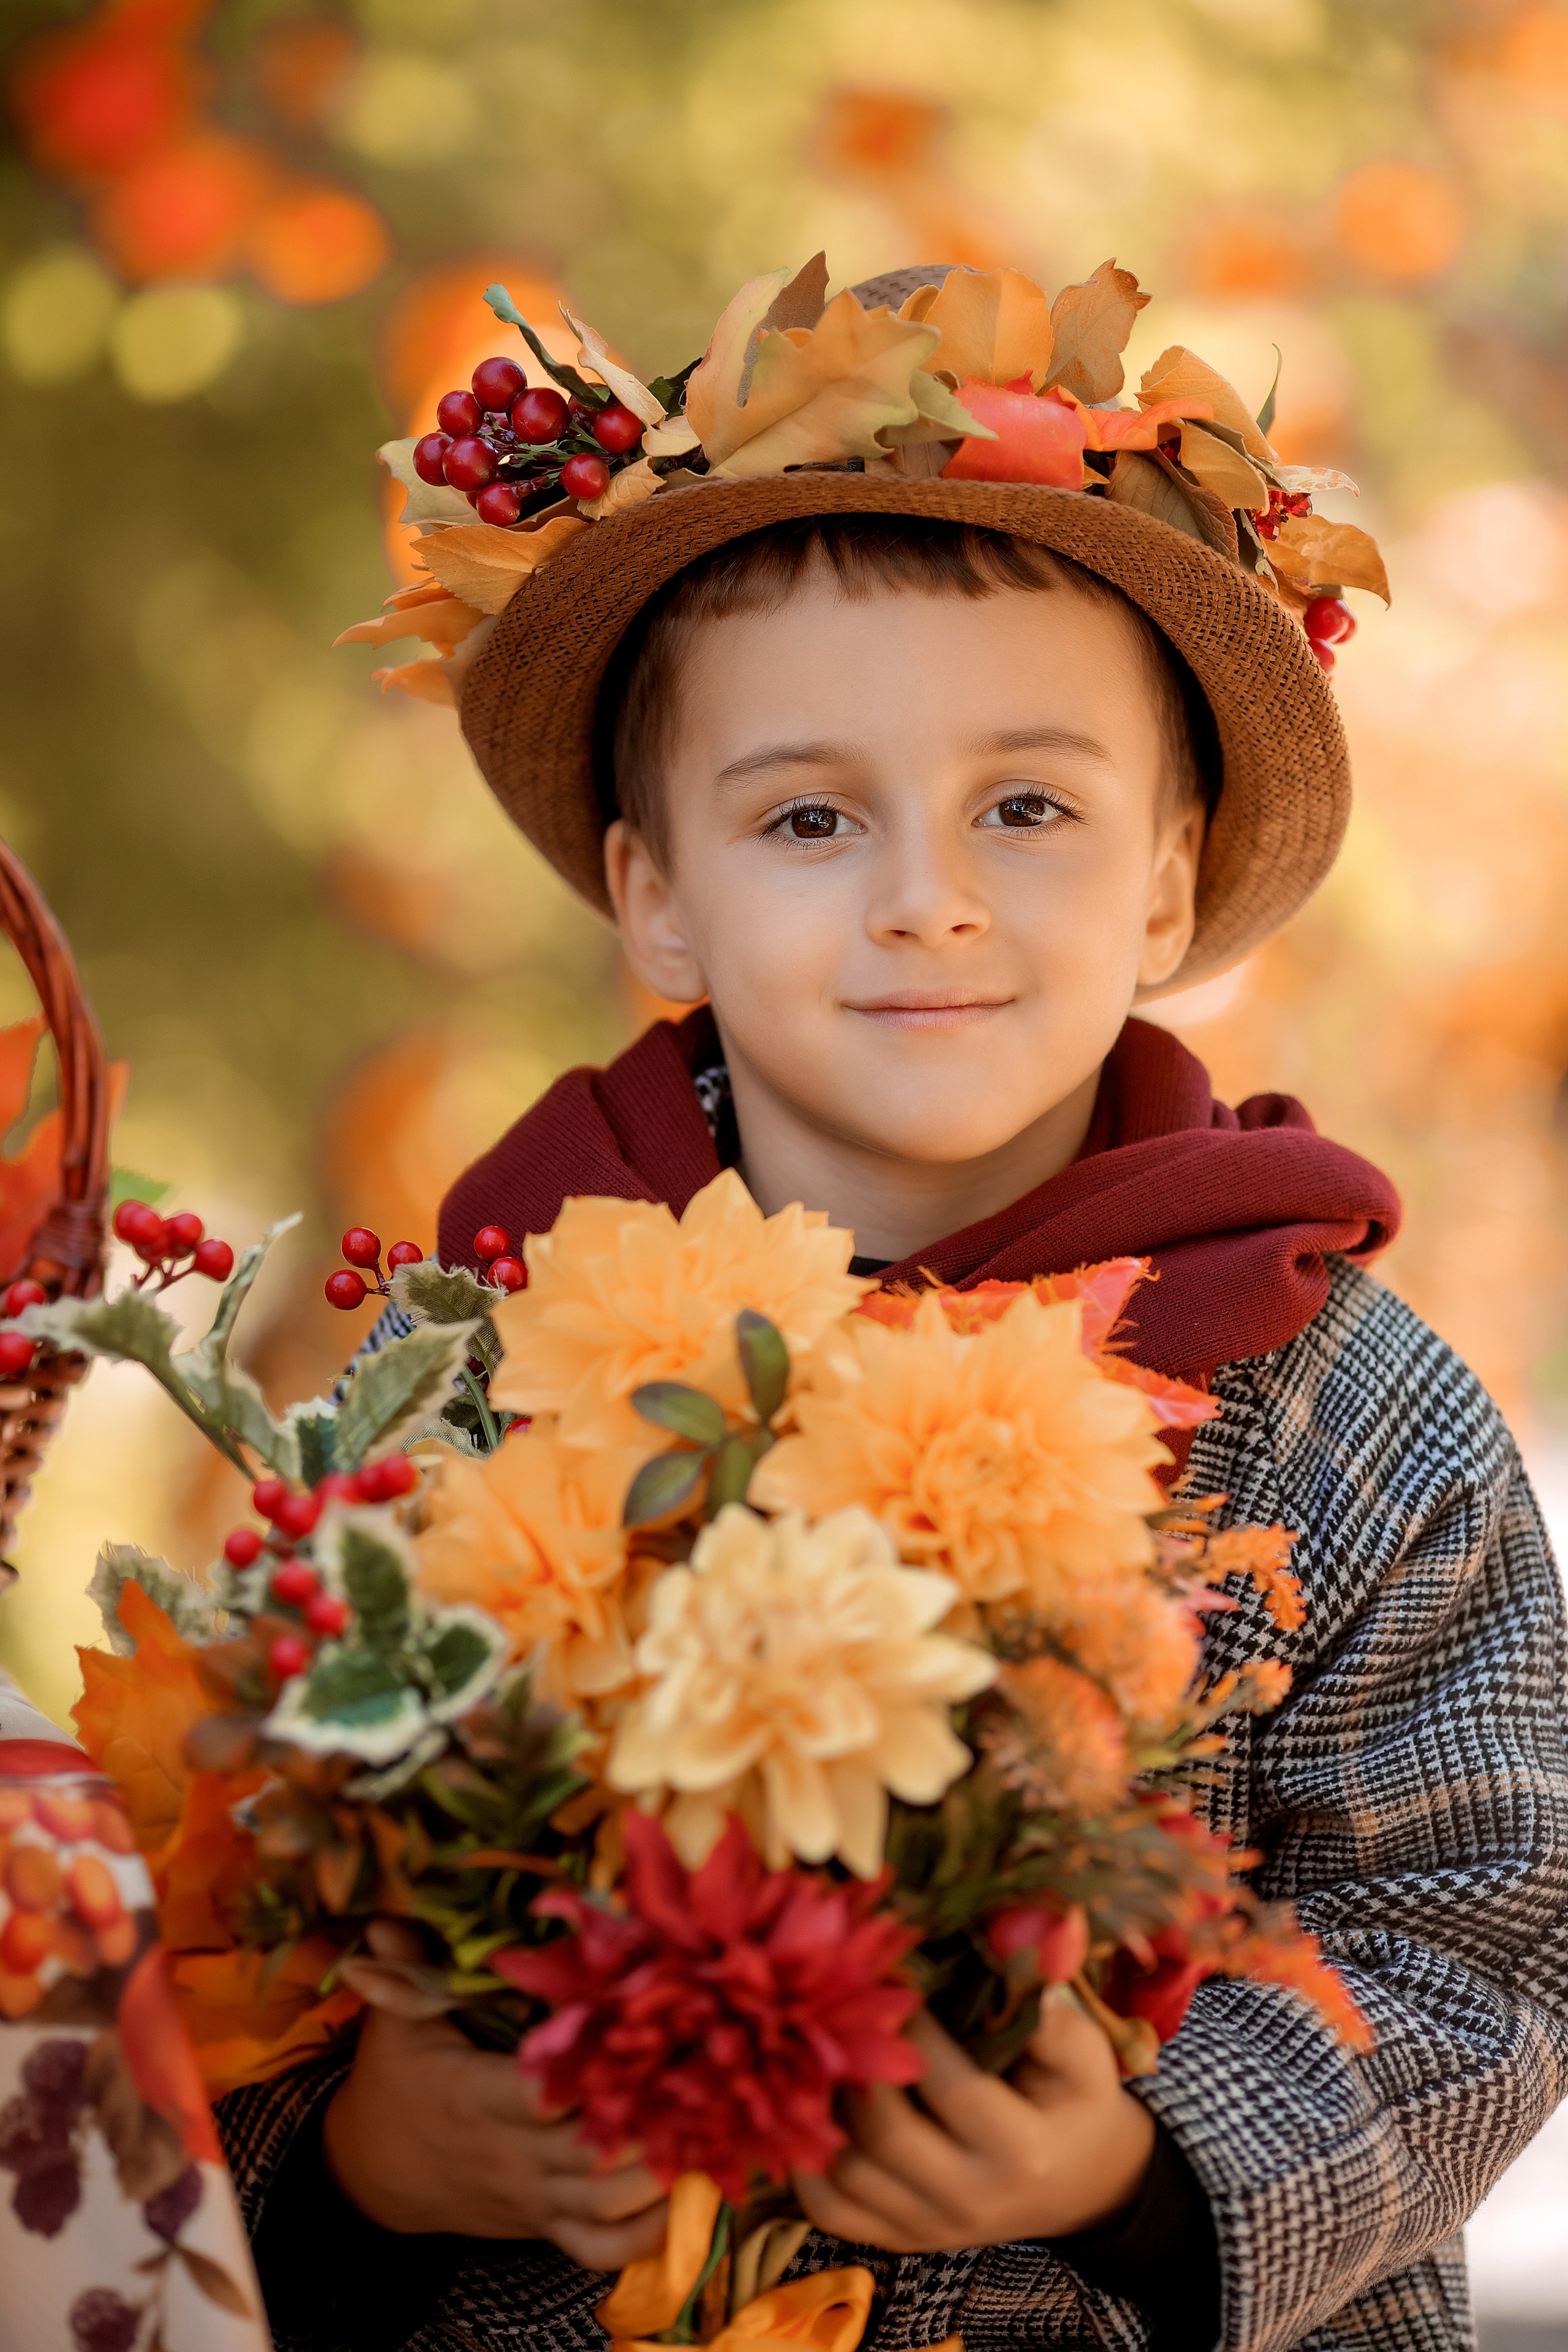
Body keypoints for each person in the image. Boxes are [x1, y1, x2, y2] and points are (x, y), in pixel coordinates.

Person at [218, 258, 1568, 2352]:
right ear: (659, 893)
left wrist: (1140, 2164)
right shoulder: (474, 1378)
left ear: (1163, 881)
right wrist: (363, 2163)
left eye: (1027, 808)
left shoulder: (1342, 1405)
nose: (926, 897)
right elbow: (234, 1901)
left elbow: (1482, 1940)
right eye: (810, 816)